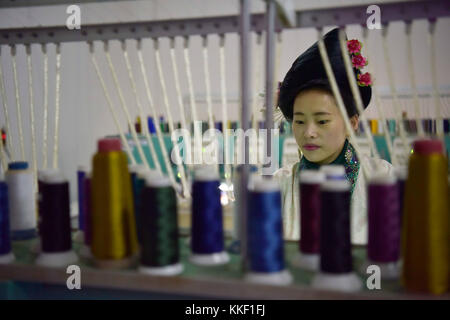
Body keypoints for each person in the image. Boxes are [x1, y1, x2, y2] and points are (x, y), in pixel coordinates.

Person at [275, 28, 394, 245]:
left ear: (351, 123)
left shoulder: (382, 180)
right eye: (299, 121)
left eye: (322, 121)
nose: (308, 133)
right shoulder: (278, 186)